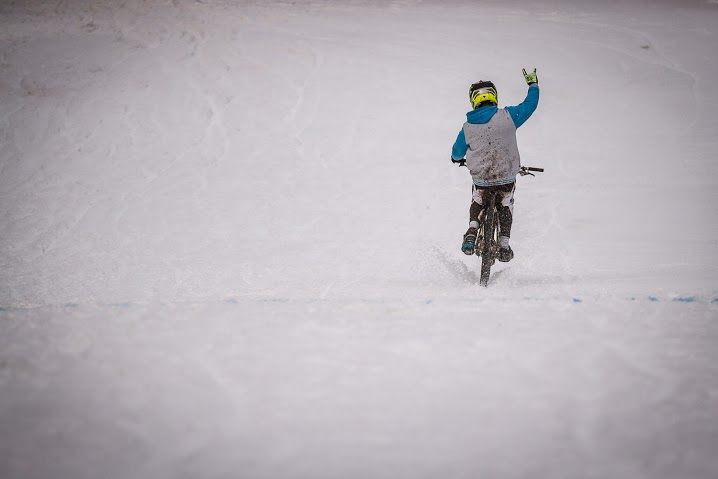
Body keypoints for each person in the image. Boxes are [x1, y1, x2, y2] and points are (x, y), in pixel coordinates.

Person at [450, 68, 540, 262]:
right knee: (506, 203)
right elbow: (530, 105)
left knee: (478, 199)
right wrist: (533, 84)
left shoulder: (467, 127)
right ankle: (504, 244)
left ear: (473, 100)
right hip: (507, 177)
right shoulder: (509, 116)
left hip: (482, 179)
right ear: (494, 96)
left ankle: (473, 229)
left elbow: (457, 152)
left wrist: (457, 158)